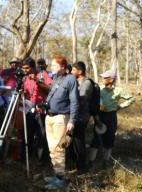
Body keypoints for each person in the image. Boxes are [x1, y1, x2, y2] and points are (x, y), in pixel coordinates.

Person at [43, 55, 79, 190]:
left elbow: (75, 101)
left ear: (63, 66)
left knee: (59, 148)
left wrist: (72, 120)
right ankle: (56, 174)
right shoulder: (55, 78)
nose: (51, 67)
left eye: (54, 65)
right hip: (49, 117)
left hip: (61, 118)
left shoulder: (70, 79)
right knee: (52, 148)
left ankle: (60, 180)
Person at [89, 70, 135, 168]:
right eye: (103, 77)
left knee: (109, 139)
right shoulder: (99, 89)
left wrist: (120, 106)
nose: (103, 79)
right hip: (100, 116)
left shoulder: (119, 90)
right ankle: (90, 162)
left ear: (111, 79)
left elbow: (131, 99)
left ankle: (106, 162)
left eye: (105, 77)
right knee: (96, 139)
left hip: (111, 117)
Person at [21, 57, 52, 163]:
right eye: (23, 68)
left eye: (27, 68)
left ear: (33, 67)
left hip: (41, 109)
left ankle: (43, 159)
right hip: (28, 109)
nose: (25, 70)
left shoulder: (42, 75)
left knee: (41, 135)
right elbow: (25, 92)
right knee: (28, 133)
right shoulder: (24, 78)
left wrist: (37, 81)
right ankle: (27, 156)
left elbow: (50, 89)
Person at [70, 61, 93, 172]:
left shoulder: (87, 83)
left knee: (79, 141)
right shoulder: (75, 81)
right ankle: (74, 162)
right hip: (74, 116)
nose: (71, 72)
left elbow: (81, 99)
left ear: (80, 71)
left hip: (81, 117)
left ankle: (81, 167)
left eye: (73, 70)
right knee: (73, 141)